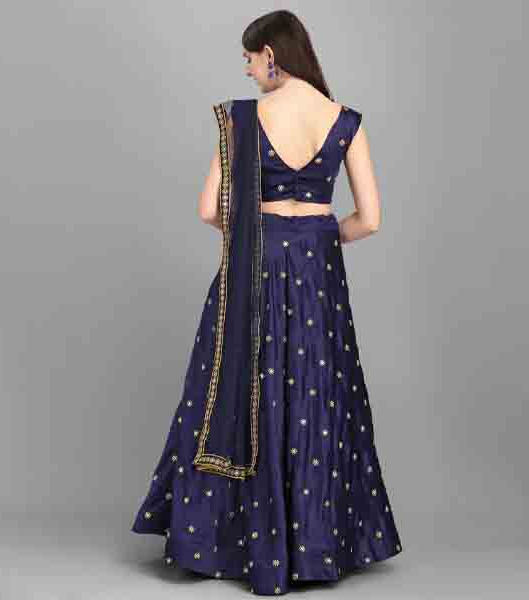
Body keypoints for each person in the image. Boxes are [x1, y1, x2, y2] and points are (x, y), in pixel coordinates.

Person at [131, 9, 402, 596]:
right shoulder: (344, 120)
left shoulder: (243, 120)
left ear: (271, 55)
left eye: (250, 58)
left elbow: (210, 209)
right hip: (318, 272)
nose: (248, 70)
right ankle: (317, 544)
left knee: (235, 388)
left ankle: (226, 541)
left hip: (253, 264)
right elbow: (370, 220)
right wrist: (318, 237)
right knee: (315, 390)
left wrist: (264, 233)